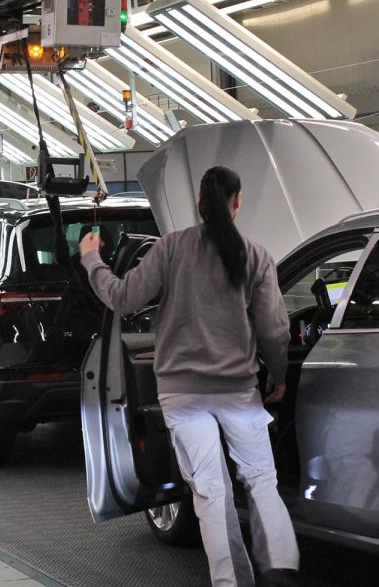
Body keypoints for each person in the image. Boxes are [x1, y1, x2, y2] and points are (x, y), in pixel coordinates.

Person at [79, 166, 299, 587]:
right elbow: (275, 330)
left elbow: (123, 298)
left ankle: (231, 582)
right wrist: (278, 373)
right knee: (261, 482)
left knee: (211, 495)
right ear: (237, 202)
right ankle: (280, 572)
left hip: (183, 395)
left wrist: (93, 260)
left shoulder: (171, 248)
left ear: (200, 202)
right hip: (238, 393)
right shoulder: (255, 255)